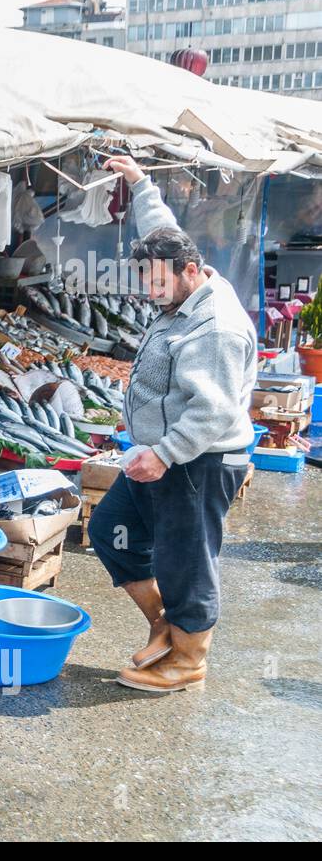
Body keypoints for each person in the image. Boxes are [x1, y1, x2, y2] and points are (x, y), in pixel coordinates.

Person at [87, 155, 257, 693]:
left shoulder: (216, 329)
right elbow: (162, 228)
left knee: (186, 560)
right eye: (146, 280)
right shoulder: (183, 269)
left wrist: (162, 454)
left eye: (160, 283)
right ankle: (165, 625)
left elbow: (214, 411)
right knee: (111, 532)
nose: (151, 292)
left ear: (190, 271)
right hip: (157, 454)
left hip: (197, 461)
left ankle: (188, 659)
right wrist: (139, 183)